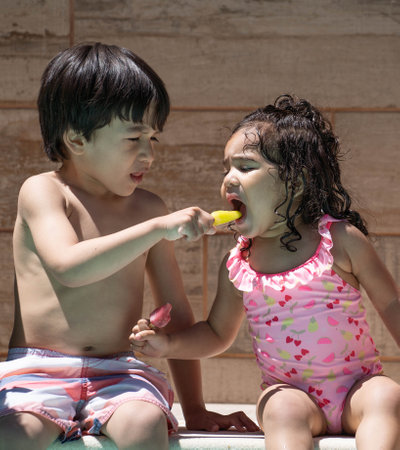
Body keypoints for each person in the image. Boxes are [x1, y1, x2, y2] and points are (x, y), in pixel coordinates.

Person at [0, 42, 258, 450]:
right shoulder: (45, 193)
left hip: (118, 373)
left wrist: (194, 408)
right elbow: (69, 267)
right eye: (134, 137)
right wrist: (157, 227)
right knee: (16, 433)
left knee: (144, 425)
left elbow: (176, 316)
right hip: (38, 372)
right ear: (77, 138)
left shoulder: (148, 209)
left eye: (153, 139)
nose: (148, 154)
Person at [131, 94, 400, 450]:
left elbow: (392, 305)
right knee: (281, 410)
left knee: (387, 397)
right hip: (291, 395)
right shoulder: (240, 262)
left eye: (244, 167)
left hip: (357, 388)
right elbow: (215, 334)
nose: (228, 179)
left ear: (295, 182)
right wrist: (169, 344)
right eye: (225, 168)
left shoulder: (339, 240)